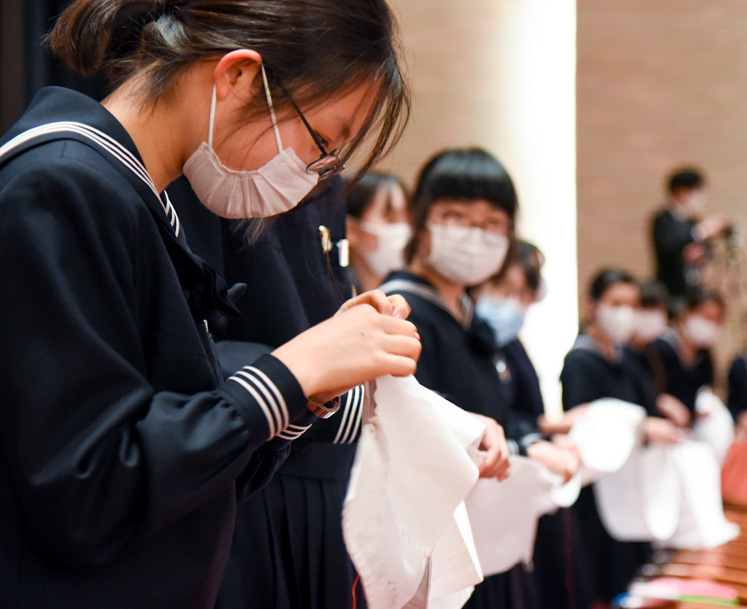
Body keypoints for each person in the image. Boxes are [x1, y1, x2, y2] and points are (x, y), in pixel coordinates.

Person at [0, 1, 424, 607]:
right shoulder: (62, 185)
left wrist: (308, 388)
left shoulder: (137, 199)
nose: (314, 173)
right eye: (323, 141)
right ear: (239, 76)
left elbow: (192, 478)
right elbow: (89, 488)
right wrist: (289, 372)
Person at [383, 147, 577, 609]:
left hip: (488, 533)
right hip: (434, 548)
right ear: (420, 221)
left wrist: (527, 443)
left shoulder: (472, 321)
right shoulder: (397, 310)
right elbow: (414, 427)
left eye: (492, 223)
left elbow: (501, 412)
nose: (475, 234)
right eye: (455, 215)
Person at [561, 269, 684, 608]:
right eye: (616, 303)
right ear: (592, 305)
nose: (625, 313)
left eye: (632, 304)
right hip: (600, 494)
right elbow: (586, 423)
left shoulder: (627, 357)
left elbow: (642, 406)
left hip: (634, 482)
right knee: (608, 584)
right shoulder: (580, 360)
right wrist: (640, 426)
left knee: (637, 577)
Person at [472, 241, 583, 609]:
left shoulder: (508, 343)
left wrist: (546, 432)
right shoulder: (470, 337)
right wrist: (534, 438)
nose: (515, 302)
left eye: (521, 293)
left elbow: (520, 410)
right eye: (504, 290)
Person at [646, 288, 726, 425]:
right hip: (656, 424)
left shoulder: (705, 357)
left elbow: (706, 390)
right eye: (707, 317)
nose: (711, 325)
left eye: (717, 320)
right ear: (686, 313)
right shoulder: (661, 347)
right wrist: (660, 400)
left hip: (688, 428)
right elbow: (644, 389)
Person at [651, 167, 731, 302]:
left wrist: (702, 253)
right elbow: (668, 246)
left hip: (693, 287)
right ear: (681, 192)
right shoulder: (662, 220)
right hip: (670, 290)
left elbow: (705, 248)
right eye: (696, 191)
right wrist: (701, 231)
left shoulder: (692, 221)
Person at [345, 171, 412, 293]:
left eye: (408, 218)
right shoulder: (338, 298)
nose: (404, 228)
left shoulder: (409, 295)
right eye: (389, 217)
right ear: (350, 230)